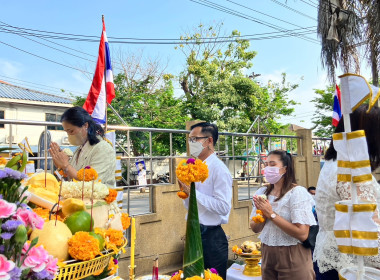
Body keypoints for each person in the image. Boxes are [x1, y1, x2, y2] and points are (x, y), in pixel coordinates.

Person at [313, 104, 380, 279]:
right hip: (350, 266)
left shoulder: (333, 164)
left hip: (332, 257)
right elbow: (369, 229)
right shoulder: (349, 171)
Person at [250, 149, 316, 280]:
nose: (268, 168)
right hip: (268, 253)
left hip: (292, 254)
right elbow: (254, 227)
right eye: (266, 164)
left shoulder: (297, 193)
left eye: (273, 164)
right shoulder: (263, 191)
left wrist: (271, 214)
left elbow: (302, 233)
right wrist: (262, 213)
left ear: (285, 169)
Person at [178, 122, 232, 280]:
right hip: (193, 232)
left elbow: (223, 207)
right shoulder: (194, 166)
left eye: (195, 139)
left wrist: (193, 193)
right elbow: (191, 207)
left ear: (209, 141)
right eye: (189, 139)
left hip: (212, 239)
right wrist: (185, 193)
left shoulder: (219, 169)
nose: (191, 144)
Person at [49, 106, 116, 187]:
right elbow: (69, 181)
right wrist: (60, 166)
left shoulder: (103, 149)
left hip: (98, 198)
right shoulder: (78, 150)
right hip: (77, 198)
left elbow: (93, 184)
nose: (69, 135)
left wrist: (66, 165)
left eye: (71, 131)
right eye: (67, 132)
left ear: (85, 125)